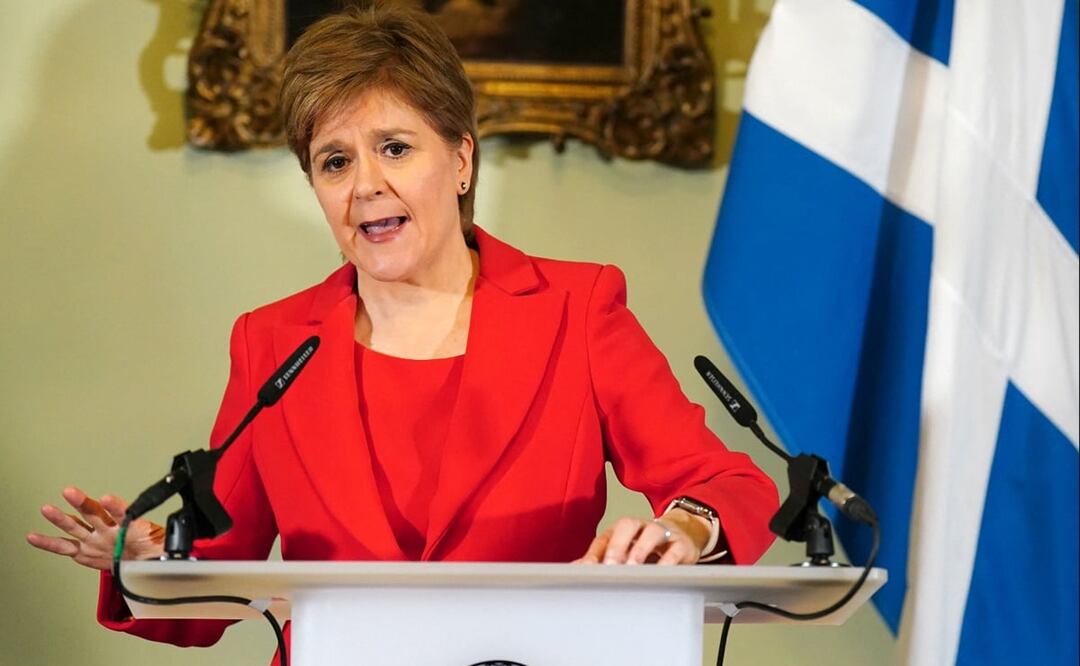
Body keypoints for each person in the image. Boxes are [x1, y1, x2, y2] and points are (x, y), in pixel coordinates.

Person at [27, 3, 778, 663]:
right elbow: (215, 580)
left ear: (460, 158)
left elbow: (727, 486)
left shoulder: (575, 309)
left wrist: (685, 529)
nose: (365, 185)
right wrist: (147, 561)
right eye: (334, 161)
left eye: (394, 147)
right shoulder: (272, 344)